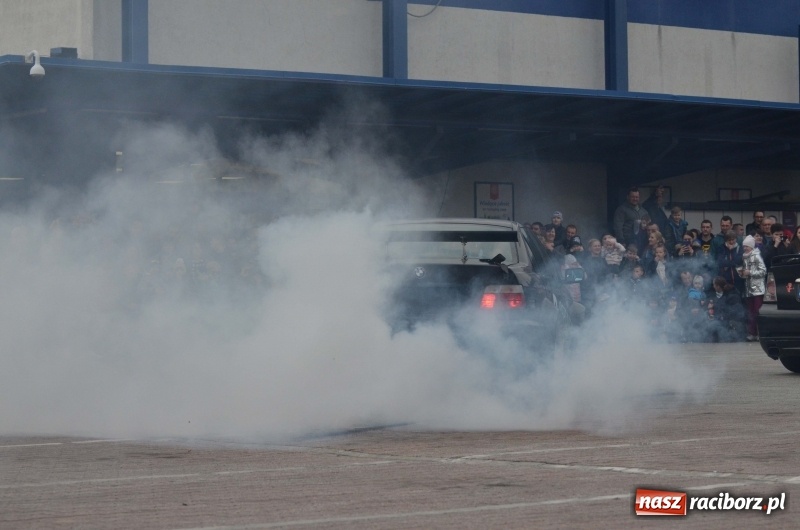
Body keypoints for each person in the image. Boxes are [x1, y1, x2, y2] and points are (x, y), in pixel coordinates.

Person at [739, 235, 766, 341]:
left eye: (747, 246)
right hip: (748, 289)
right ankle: (752, 332)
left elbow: (763, 271)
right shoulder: (744, 257)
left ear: (751, 246)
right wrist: (742, 273)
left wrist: (750, 272)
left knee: (757, 312)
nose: (745, 248)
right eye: (744, 246)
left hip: (758, 289)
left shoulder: (756, 256)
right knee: (750, 312)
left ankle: (760, 333)